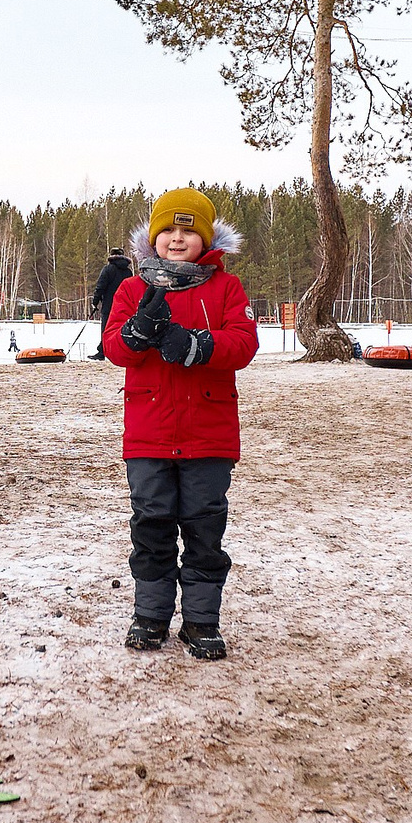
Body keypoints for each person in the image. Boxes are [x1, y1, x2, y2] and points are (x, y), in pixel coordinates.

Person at [101, 188, 260, 659]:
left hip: (207, 437)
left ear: (206, 238)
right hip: (148, 436)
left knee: (204, 530)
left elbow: (243, 344)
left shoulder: (226, 288)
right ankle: (150, 618)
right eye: (168, 229)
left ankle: (201, 622)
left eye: (189, 230)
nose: (177, 238)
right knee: (151, 526)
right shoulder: (133, 289)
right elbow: (114, 348)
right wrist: (137, 333)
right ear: (154, 236)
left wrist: (198, 346)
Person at [90, 245, 132, 360]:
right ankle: (118, 351)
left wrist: (95, 301)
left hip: (109, 305)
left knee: (106, 329)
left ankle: (102, 352)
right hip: (124, 305)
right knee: (121, 329)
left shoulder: (108, 269)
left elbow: (100, 286)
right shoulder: (128, 272)